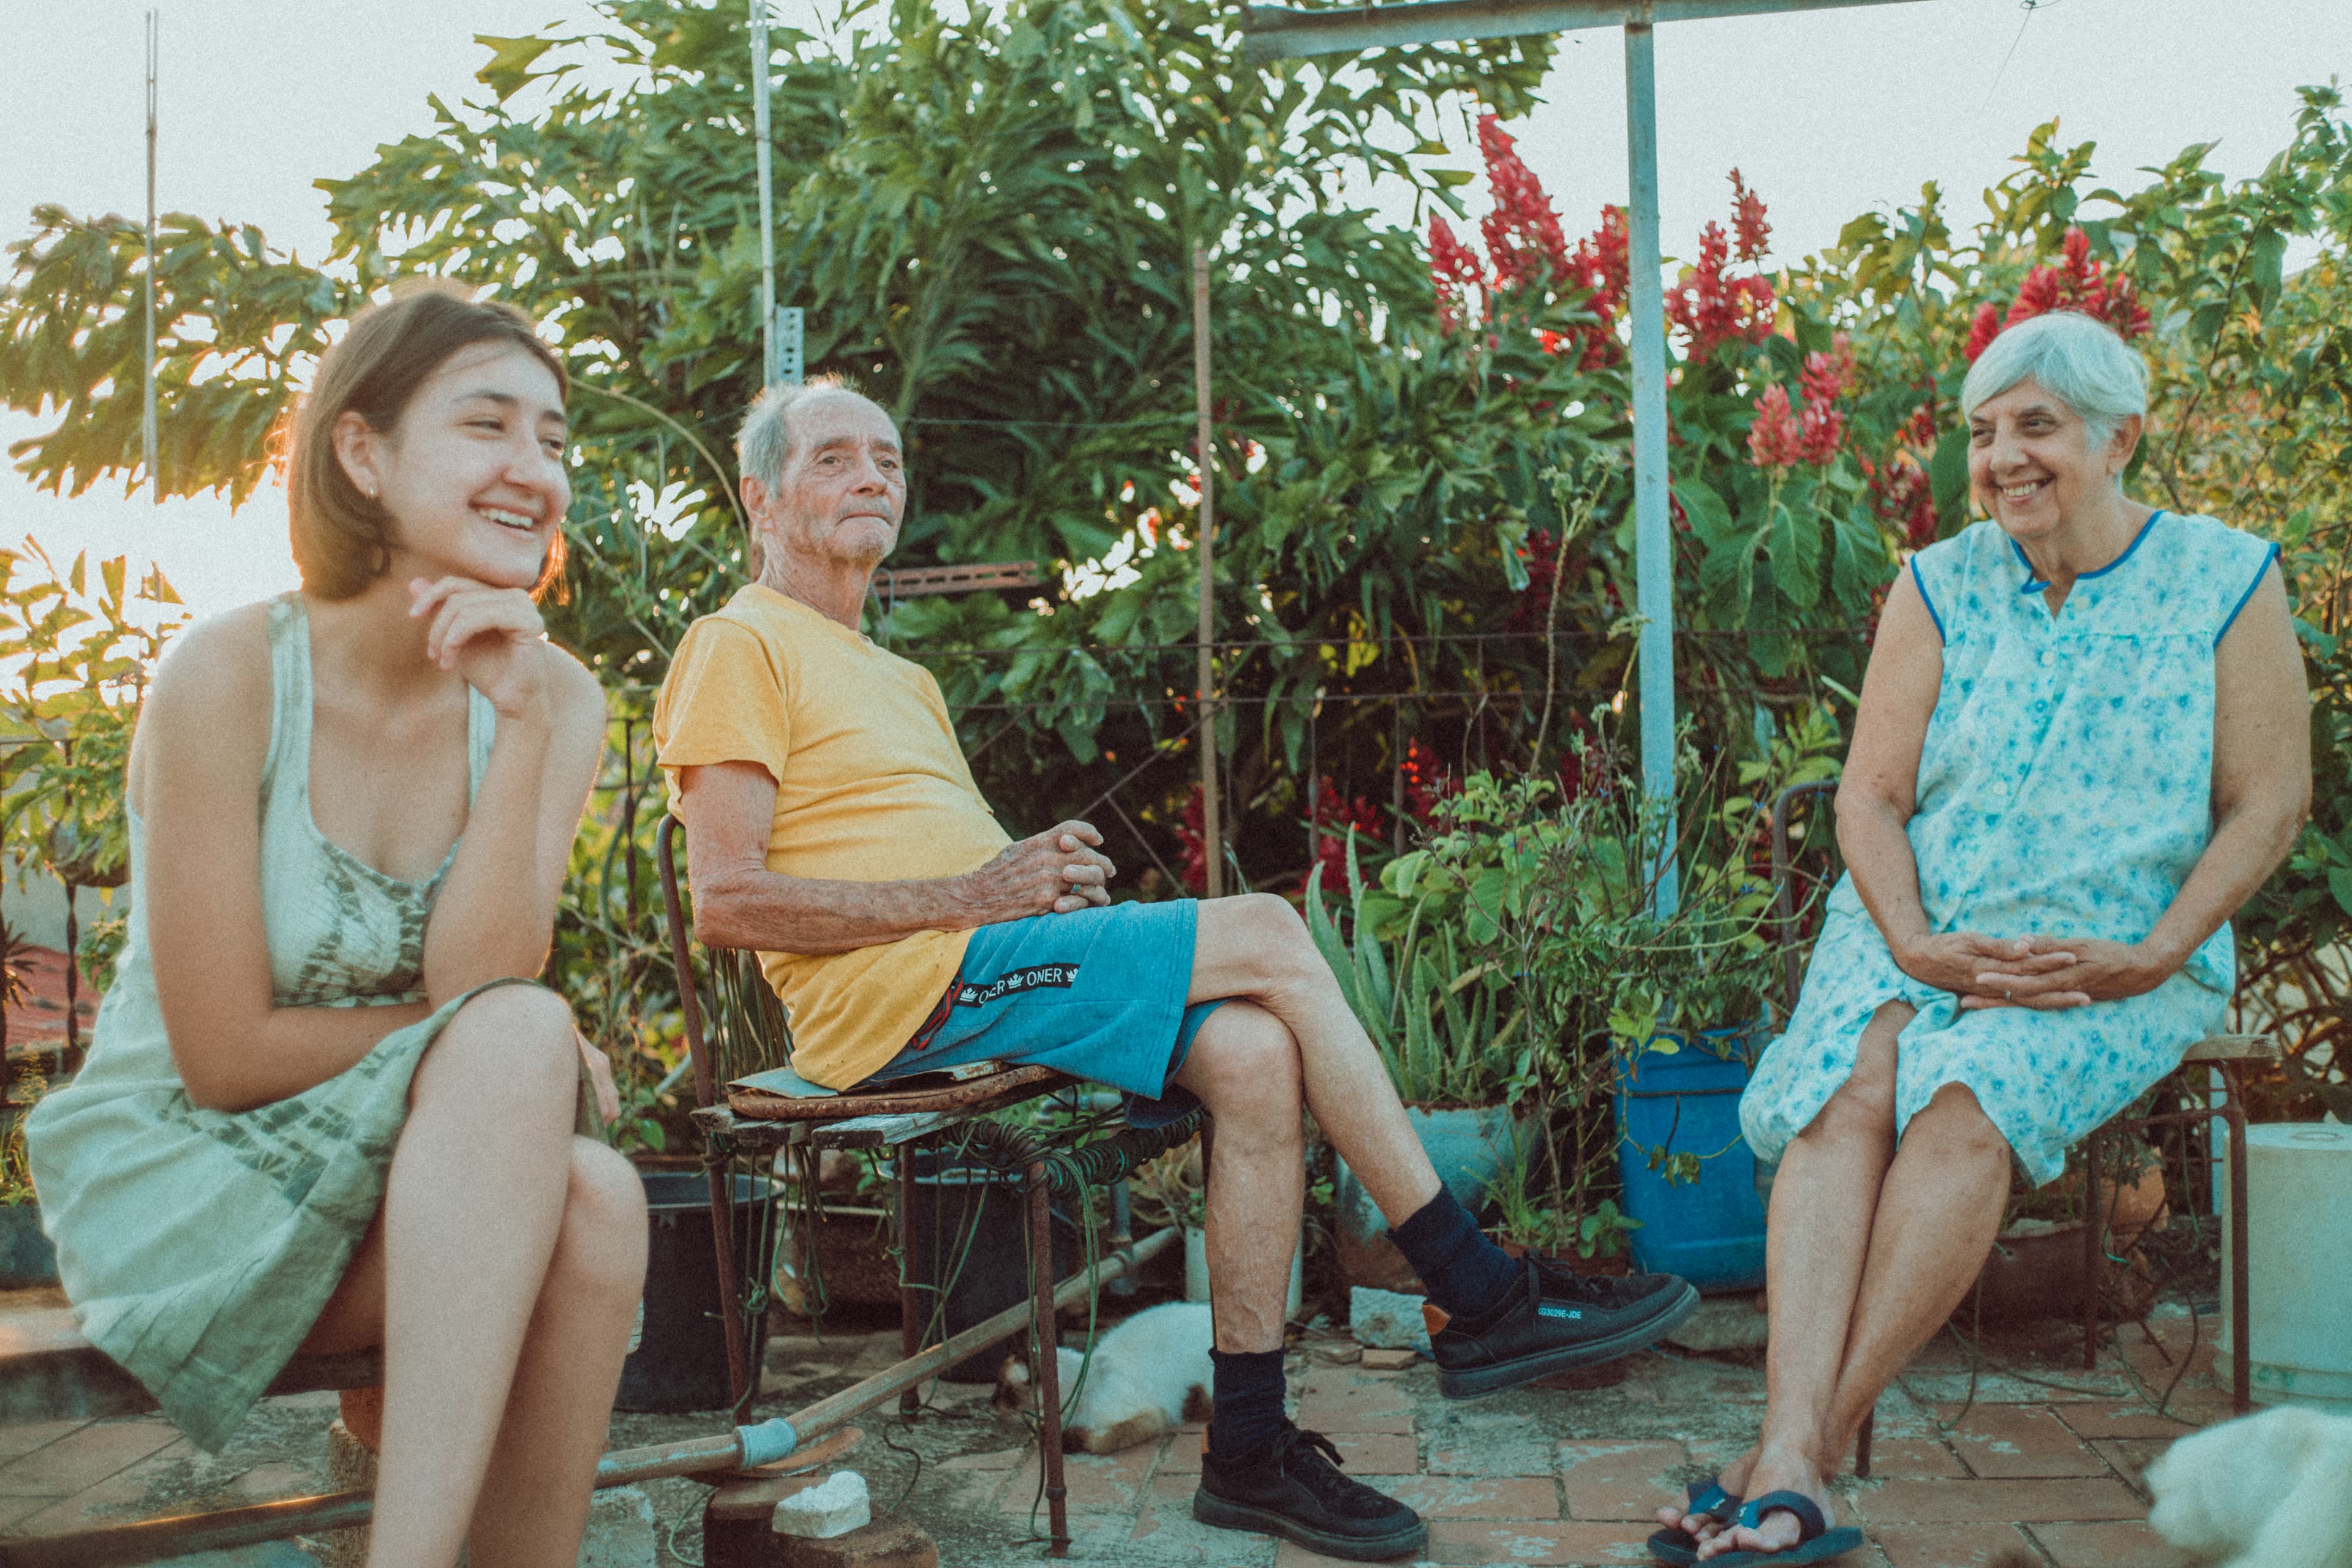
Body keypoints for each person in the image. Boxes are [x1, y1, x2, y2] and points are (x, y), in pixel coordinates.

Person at [652, 375, 1700, 1563]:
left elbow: (961, 871)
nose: (871, 476)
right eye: (833, 457)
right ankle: (1477, 1281)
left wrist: (1034, 878)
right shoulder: (735, 643)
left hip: (983, 965)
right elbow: (727, 899)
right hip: (897, 1001)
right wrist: (981, 895)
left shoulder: (906, 682)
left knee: (1254, 1053)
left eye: (887, 458)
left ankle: (1250, 1445)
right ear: (759, 496)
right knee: (1268, 930)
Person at [1654, 310, 2311, 1564]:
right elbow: (1871, 796)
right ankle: (1793, 1451)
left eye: (2037, 424)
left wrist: (2160, 951)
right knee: (1851, 1084)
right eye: (1984, 431)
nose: (2005, 455)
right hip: (1915, 926)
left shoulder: (2226, 578)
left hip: (2108, 947)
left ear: (2121, 436)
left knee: (1969, 1095)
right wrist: (1906, 939)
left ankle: (1803, 1447)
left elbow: (2268, 803)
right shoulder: (1939, 581)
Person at [26, 284, 637, 1568]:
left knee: (597, 1197)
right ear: (362, 453)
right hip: (190, 1169)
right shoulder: (232, 672)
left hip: (406, 1175)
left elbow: (484, 977)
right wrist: (492, 1054)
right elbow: (224, 1053)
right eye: (487, 424)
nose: (534, 468)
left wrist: (519, 725)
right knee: (527, 1048)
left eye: (556, 439)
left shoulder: (554, 697)